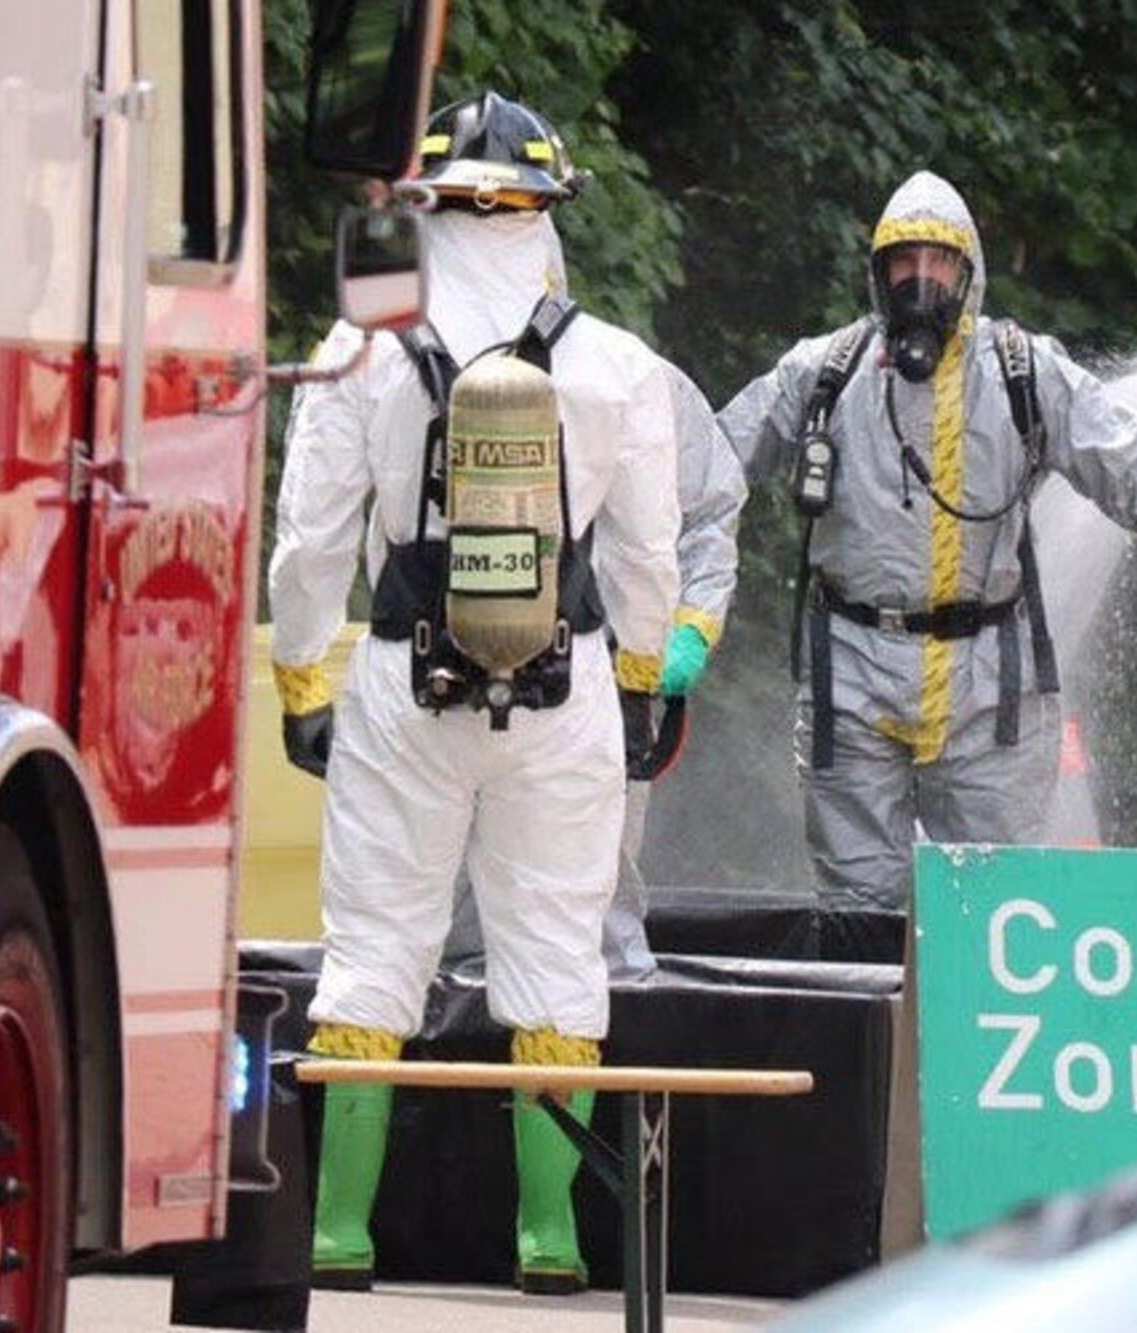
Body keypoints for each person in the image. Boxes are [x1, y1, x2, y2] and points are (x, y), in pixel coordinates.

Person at [268, 92, 680, 1294]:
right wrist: (642, 682)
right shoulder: (618, 367)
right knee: (554, 949)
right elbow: (649, 555)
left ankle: (338, 1232)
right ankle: (546, 1240)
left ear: (426, 210)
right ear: (550, 214)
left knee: (376, 945)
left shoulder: (357, 351)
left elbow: (309, 543)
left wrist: (305, 677)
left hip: (404, 684)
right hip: (567, 688)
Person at [716, 169, 1137, 919]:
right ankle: (880, 1041)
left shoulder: (1022, 372)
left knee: (1002, 914)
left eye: (939, 263)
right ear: (877, 274)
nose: (921, 281)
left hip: (990, 687)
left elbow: (1136, 465)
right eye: (904, 263)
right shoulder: (823, 375)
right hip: (852, 674)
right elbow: (708, 469)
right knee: (857, 914)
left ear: (969, 273)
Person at [443, 358, 745, 980]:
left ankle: (602, 1050)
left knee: (596, 888)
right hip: (472, 669)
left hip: (610, 676)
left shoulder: (637, 378)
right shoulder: (444, 368)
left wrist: (690, 625)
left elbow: (709, 512)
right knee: (459, 888)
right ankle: (466, 1054)